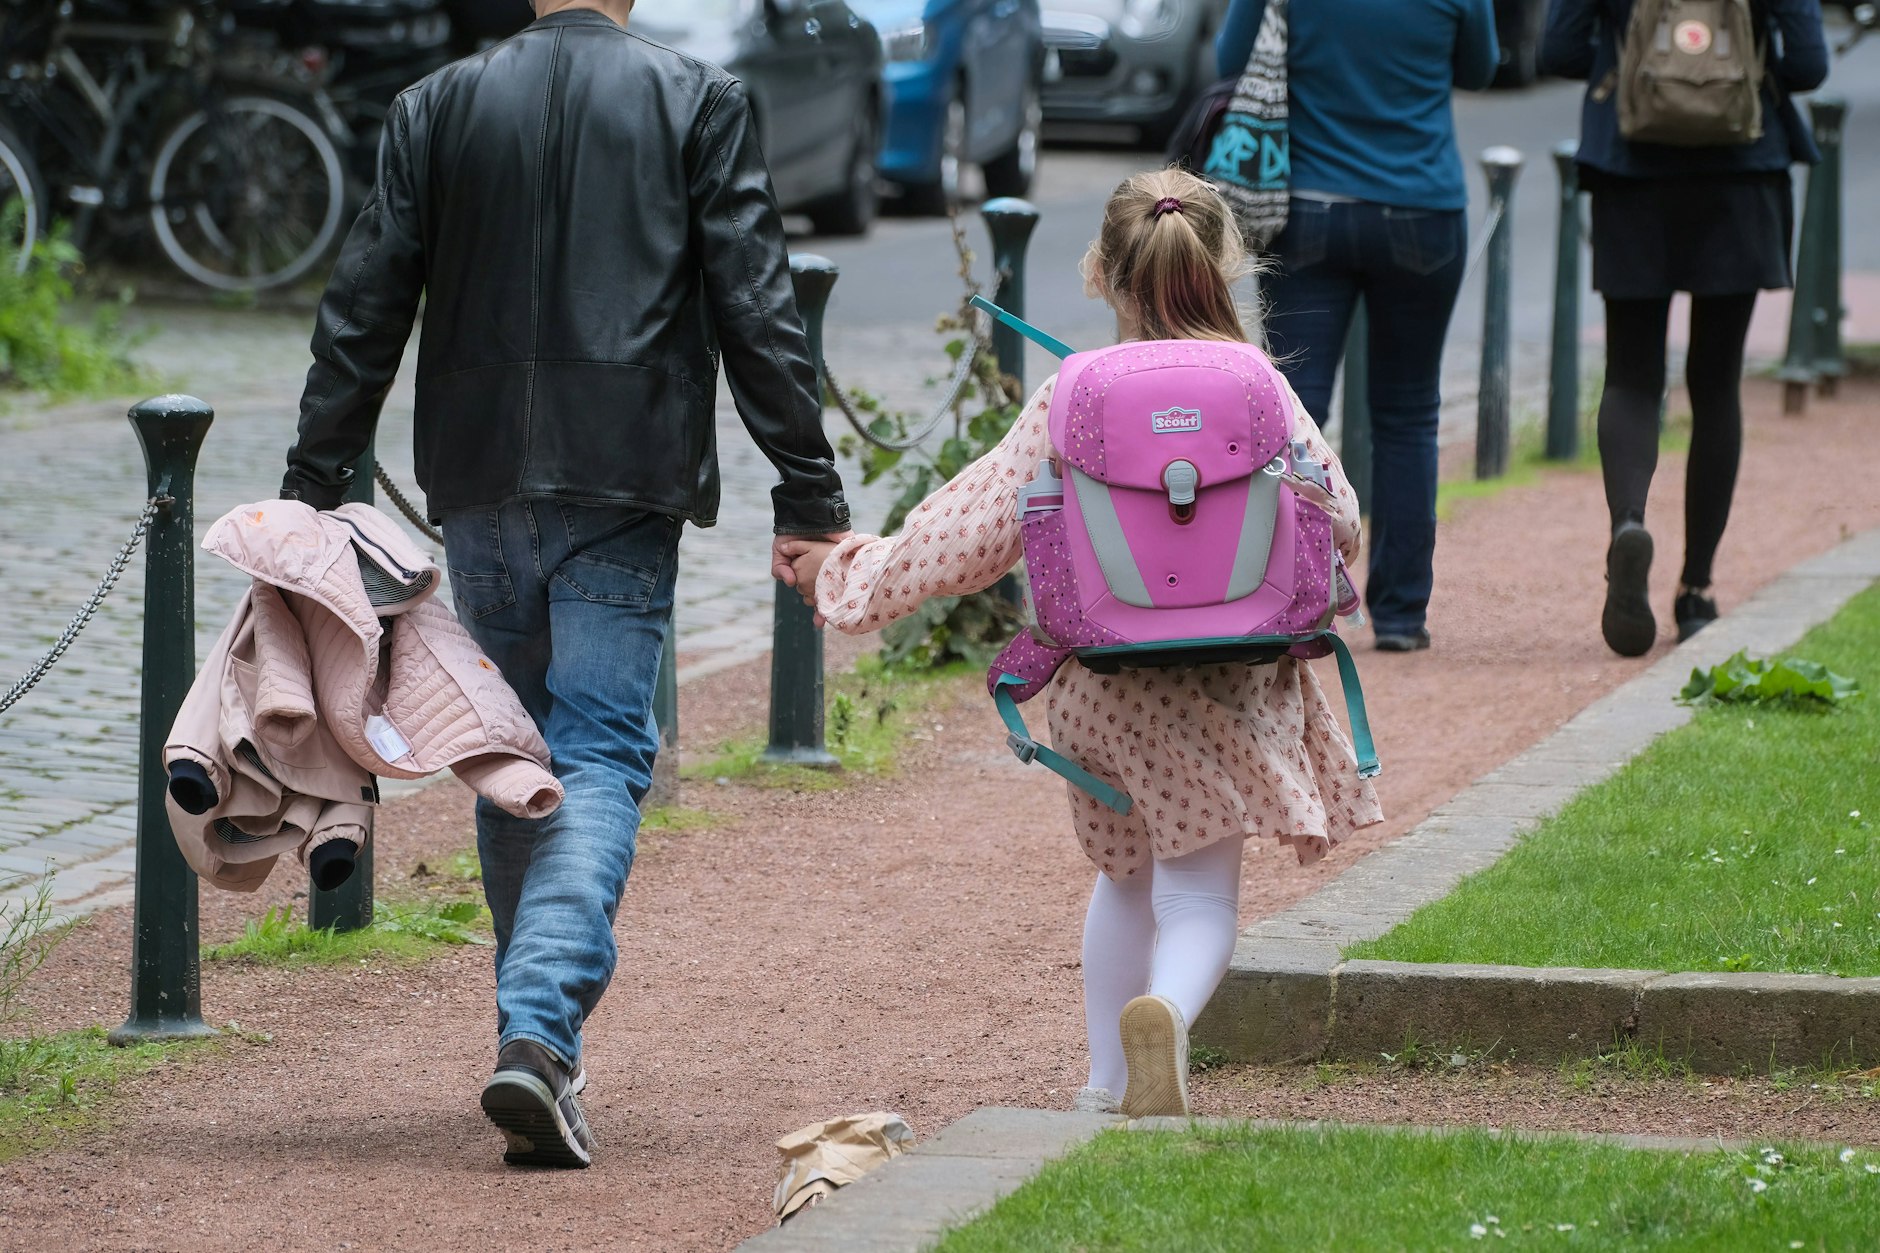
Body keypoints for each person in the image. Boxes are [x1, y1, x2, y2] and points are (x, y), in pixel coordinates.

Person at [279, 0, 851, 1167]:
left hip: (480, 473)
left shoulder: (434, 104)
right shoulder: (696, 98)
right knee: (594, 754)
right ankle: (538, 1031)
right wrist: (808, 493)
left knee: (509, 749)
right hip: (625, 473)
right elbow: (755, 300)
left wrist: (313, 475)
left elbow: (365, 303)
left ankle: (533, 1041)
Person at [782, 170, 1383, 1118]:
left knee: (1128, 874)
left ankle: (1106, 1084)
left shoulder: (1072, 393)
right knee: (1200, 897)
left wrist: (844, 576)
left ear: (1103, 272)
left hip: (1106, 682)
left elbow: (967, 532)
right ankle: (1168, 1018)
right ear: (1223, 262)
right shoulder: (1259, 386)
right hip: (1231, 676)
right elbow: (1339, 516)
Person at [1541, 0, 1828, 656]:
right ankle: (1696, 591)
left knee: (1633, 375)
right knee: (1717, 384)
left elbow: (1557, 50)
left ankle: (1629, 524)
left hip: (1630, 165)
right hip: (1744, 167)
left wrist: (1638, 64)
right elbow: (1808, 65)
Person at [1215, 0, 1499, 653]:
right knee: (1407, 413)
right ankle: (1400, 614)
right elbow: (1480, 68)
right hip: (1422, 208)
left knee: (1294, 414)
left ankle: (1290, 603)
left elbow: (1231, 62)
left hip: (1308, 209)